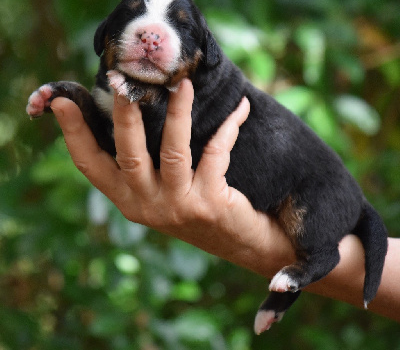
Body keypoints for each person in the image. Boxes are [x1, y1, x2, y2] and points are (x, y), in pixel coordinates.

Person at [50, 78, 400, 323]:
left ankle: (309, 269)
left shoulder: (204, 90)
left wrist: (259, 248)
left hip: (312, 190)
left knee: (308, 233)